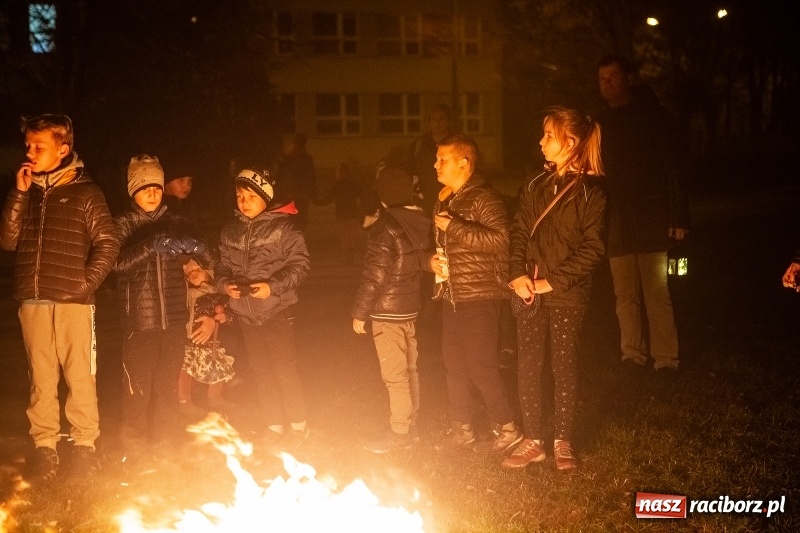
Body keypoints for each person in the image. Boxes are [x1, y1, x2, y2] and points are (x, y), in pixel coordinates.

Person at [0, 114, 120, 485]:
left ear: (63, 149)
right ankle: (45, 448)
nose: (30, 152)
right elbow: (8, 240)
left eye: (39, 146)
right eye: (28, 145)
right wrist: (19, 194)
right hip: (33, 301)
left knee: (79, 377)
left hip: (74, 304)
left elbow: (108, 242)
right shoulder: (28, 193)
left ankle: (84, 447)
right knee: (41, 379)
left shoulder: (86, 192)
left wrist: (85, 284)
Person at [504, 107, 606, 472]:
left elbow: (592, 248)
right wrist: (517, 274)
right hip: (529, 290)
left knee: (563, 366)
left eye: (549, 135)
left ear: (571, 142)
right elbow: (519, 229)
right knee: (528, 365)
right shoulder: (536, 184)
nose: (541, 141)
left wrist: (552, 282)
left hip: (566, 295)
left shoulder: (592, 193)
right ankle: (533, 439)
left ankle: (563, 439)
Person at [426, 133, 521, 454]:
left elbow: (501, 240)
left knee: (481, 366)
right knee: (454, 366)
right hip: (452, 296)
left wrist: (454, 227)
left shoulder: (485, 197)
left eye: (442, 159)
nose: (435, 164)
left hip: (481, 296)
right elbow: (442, 247)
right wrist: (431, 261)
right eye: (436, 159)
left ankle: (508, 428)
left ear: (464, 163)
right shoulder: (445, 199)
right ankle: (462, 429)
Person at [596, 54, 689, 373]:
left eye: (613, 77)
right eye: (602, 79)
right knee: (624, 294)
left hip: (651, 215)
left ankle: (665, 358)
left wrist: (678, 216)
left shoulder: (653, 117)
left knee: (656, 291)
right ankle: (632, 354)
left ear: (629, 79)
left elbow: (674, 166)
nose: (607, 84)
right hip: (618, 220)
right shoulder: (600, 123)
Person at [113, 154, 209, 460]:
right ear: (133, 192)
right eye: (144, 188)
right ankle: (134, 448)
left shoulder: (177, 222)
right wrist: (150, 244)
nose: (152, 193)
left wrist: (199, 248)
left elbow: (208, 258)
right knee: (137, 389)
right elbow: (116, 264)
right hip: (139, 324)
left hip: (174, 321)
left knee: (168, 387)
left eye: (156, 187)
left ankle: (168, 446)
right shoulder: (122, 224)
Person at [216, 168, 311, 448]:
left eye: (251, 197)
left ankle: (299, 426)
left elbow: (300, 265)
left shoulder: (284, 228)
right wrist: (225, 285)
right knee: (261, 371)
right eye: (239, 196)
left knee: (284, 370)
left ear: (265, 198)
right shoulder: (230, 231)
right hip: (247, 315)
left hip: (276, 311)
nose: (244, 202)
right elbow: (222, 267)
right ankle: (274, 424)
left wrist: (273, 286)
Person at [351, 164, 431, 454]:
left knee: (396, 377)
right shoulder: (416, 220)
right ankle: (411, 428)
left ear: (383, 196)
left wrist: (360, 312)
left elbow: (375, 274)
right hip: (409, 309)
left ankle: (399, 434)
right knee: (410, 371)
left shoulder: (385, 228)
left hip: (387, 313)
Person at [177, 258, 236, 418]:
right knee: (185, 370)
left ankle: (215, 398)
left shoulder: (217, 294)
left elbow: (231, 312)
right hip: (188, 341)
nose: (193, 274)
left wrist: (225, 317)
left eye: (197, 270)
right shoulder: (186, 294)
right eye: (189, 272)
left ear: (208, 272)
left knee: (217, 366)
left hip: (210, 342)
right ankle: (184, 402)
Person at [405, 104, 455, 215]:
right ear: (429, 122)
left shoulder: (457, 144)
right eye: (433, 119)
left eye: (441, 119)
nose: (437, 123)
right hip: (424, 202)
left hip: (450, 201)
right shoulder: (419, 145)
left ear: (448, 121)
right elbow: (410, 171)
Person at [316, 162, 363, 264]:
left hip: (341, 215)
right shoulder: (352, 185)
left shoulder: (337, 186)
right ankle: (350, 253)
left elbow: (328, 200)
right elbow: (362, 196)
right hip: (352, 214)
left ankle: (347, 254)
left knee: (344, 235)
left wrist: (317, 202)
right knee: (352, 235)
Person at [273, 133, 316, 230]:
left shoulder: (304, 159)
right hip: (291, 195)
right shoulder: (288, 159)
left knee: (298, 223)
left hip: (297, 195)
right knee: (293, 223)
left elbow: (311, 177)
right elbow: (280, 176)